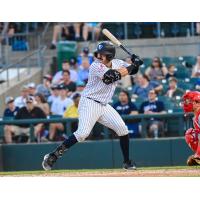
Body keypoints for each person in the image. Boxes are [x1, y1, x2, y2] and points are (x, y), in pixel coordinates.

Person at [42, 41, 143, 170]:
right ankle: (53, 156)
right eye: (98, 53)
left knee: (123, 129)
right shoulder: (96, 66)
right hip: (89, 102)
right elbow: (110, 77)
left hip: (104, 105)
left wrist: (136, 63)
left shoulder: (118, 63)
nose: (99, 56)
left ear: (110, 56)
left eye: (103, 54)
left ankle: (127, 162)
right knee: (82, 133)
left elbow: (132, 71)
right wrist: (132, 65)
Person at [181, 91, 200, 166]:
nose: (186, 103)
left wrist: (198, 155)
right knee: (191, 134)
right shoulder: (196, 117)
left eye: (189, 101)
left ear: (197, 102)